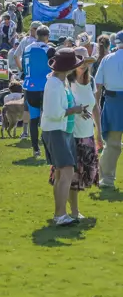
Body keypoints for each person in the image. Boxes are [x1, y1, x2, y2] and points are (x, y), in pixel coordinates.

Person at [51, 49, 100, 220]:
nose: (85, 65)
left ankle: (68, 211)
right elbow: (61, 107)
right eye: (82, 61)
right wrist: (76, 111)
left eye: (87, 62)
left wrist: (98, 133)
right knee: (69, 176)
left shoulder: (91, 81)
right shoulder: (65, 82)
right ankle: (68, 211)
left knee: (79, 177)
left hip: (87, 133)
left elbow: (95, 107)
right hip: (71, 133)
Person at [40, 48, 87, 225]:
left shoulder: (60, 82)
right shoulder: (54, 84)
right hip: (56, 131)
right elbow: (53, 113)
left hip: (62, 131)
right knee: (66, 173)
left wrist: (76, 109)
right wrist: (74, 110)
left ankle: (60, 214)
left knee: (62, 174)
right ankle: (60, 215)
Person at [22, 25, 56, 158]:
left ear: (37, 35)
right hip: (45, 86)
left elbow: (24, 66)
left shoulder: (27, 48)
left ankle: (36, 149)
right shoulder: (49, 49)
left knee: (34, 119)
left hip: (29, 87)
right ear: (47, 36)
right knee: (48, 117)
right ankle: (49, 147)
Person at [95, 29, 123, 188]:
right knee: (112, 144)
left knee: (112, 143)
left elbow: (97, 86)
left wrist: (97, 105)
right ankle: (106, 179)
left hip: (112, 102)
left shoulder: (107, 59)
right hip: (113, 101)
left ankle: (106, 179)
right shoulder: (107, 59)